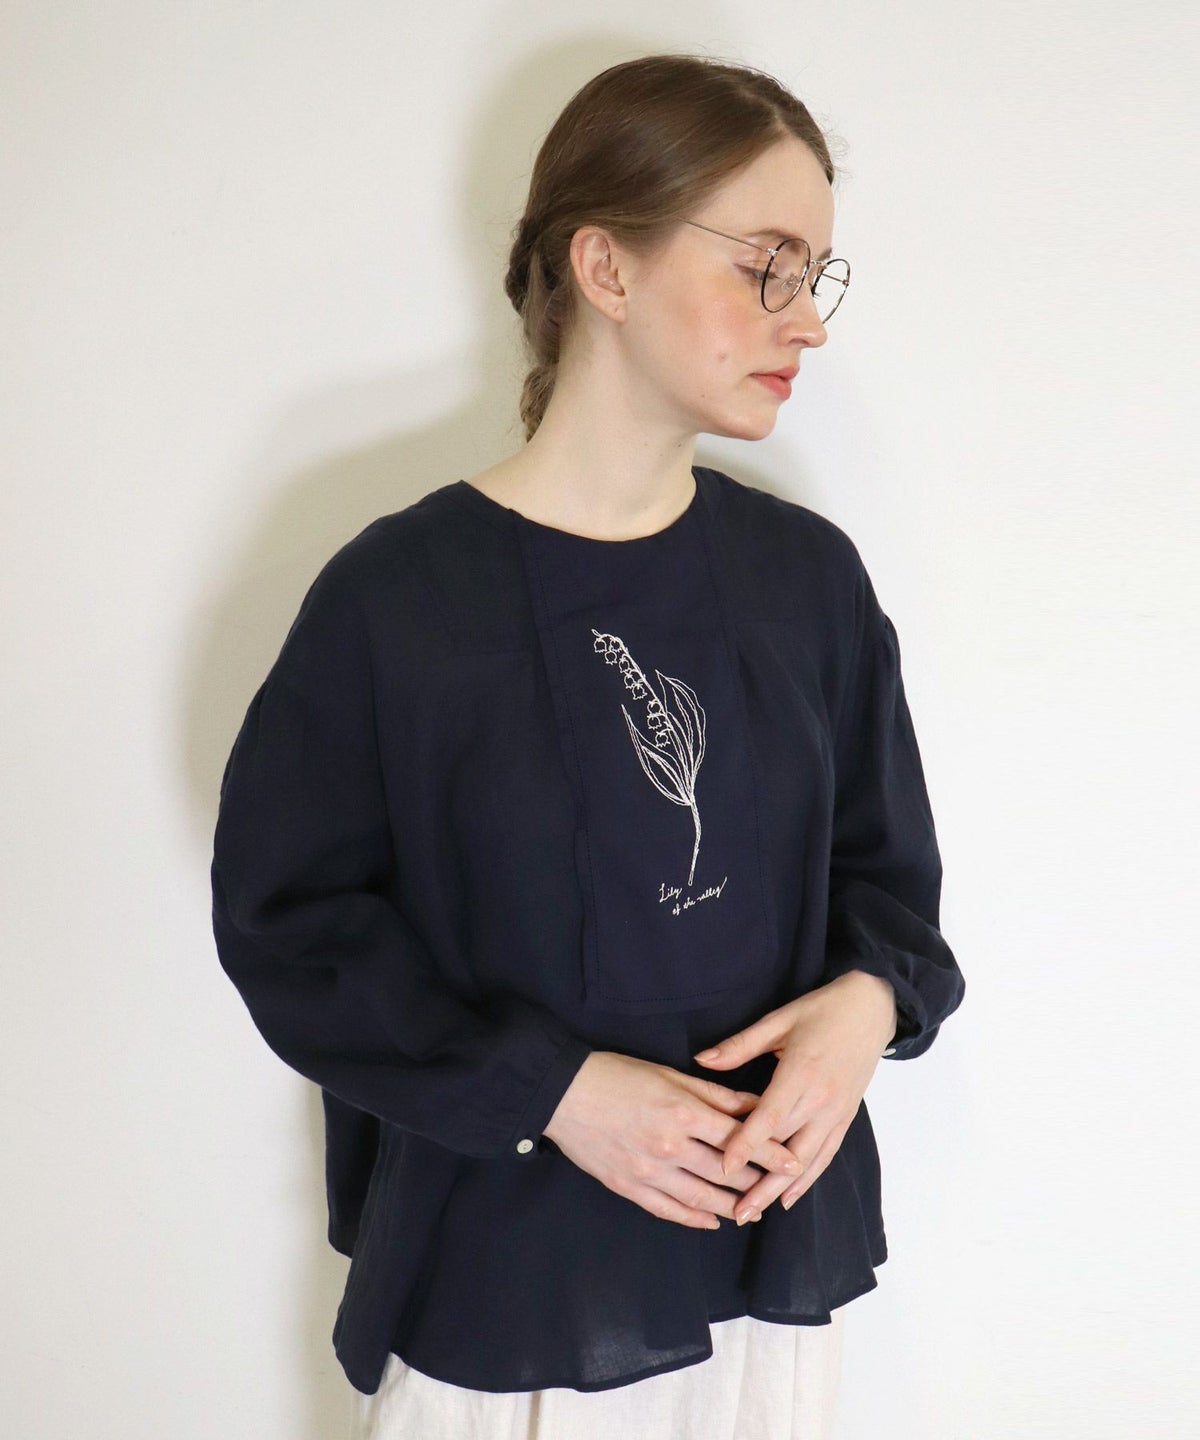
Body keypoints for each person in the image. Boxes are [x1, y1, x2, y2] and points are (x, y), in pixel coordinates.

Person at [210, 52, 965, 1440]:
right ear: (605, 266)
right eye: (766, 266)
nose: (805, 322)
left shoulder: (806, 580)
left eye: (817, 277)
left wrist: (868, 1007)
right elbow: (292, 924)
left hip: (766, 1266)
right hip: (505, 1286)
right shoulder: (399, 602)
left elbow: (886, 869)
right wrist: (548, 1090)